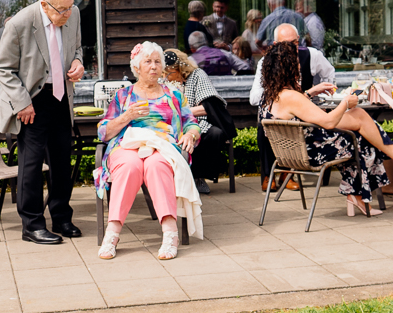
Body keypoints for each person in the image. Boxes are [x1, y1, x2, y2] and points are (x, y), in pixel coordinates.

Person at [259, 40, 393, 218]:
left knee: (359, 128)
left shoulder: (271, 94)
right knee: (360, 127)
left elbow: (295, 108)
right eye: (296, 61)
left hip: (294, 152)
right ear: (289, 67)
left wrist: (311, 93)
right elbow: (328, 122)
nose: (300, 65)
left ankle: (372, 183)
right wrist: (345, 103)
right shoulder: (291, 96)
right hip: (313, 153)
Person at [0, 0, 86, 245]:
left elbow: (77, 48)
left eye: (70, 7)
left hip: (61, 96)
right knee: (32, 164)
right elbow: (4, 69)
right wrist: (21, 102)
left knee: (61, 160)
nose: (67, 14)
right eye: (62, 10)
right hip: (31, 100)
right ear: (45, 6)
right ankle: (32, 225)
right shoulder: (19, 23)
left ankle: (61, 217)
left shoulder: (74, 13)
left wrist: (78, 63)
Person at [93, 42, 204, 260]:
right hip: (127, 144)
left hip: (162, 145)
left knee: (156, 165)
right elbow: (103, 132)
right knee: (129, 166)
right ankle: (112, 234)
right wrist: (127, 116)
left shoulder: (173, 96)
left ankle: (170, 233)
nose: (153, 66)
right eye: (147, 61)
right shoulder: (123, 96)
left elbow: (191, 122)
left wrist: (190, 135)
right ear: (137, 67)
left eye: (157, 62)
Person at [165, 46, 234, 192]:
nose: (166, 76)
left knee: (215, 134)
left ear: (180, 68)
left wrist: (183, 111)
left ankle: (198, 177)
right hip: (169, 124)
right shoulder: (162, 81)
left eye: (170, 72)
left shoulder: (197, 75)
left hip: (197, 121)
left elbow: (209, 108)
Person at [246, 25, 337, 107]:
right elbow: (254, 99)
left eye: (294, 42)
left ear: (298, 39)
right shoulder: (266, 62)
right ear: (275, 44)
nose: (291, 48)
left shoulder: (312, 55)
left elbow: (329, 75)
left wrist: (323, 99)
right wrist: (275, 91)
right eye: (285, 44)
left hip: (307, 113)